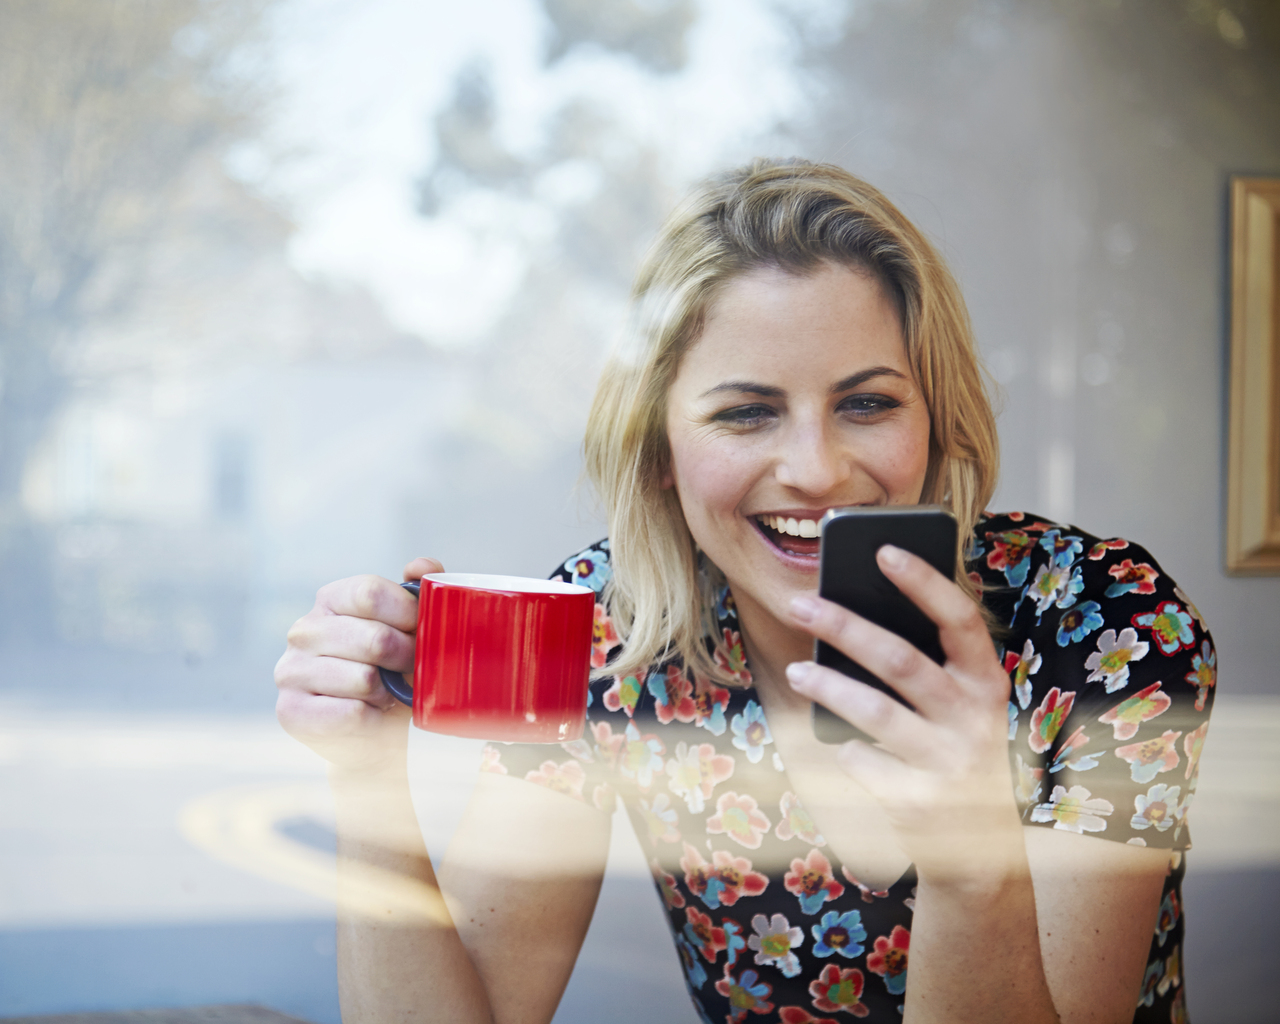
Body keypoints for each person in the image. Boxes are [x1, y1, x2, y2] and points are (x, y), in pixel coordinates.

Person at [275, 160, 1214, 1024]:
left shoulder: (1105, 626)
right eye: (746, 412)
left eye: (868, 402)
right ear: (658, 453)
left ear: (937, 416)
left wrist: (973, 863)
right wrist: (366, 783)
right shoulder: (611, 632)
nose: (815, 469)